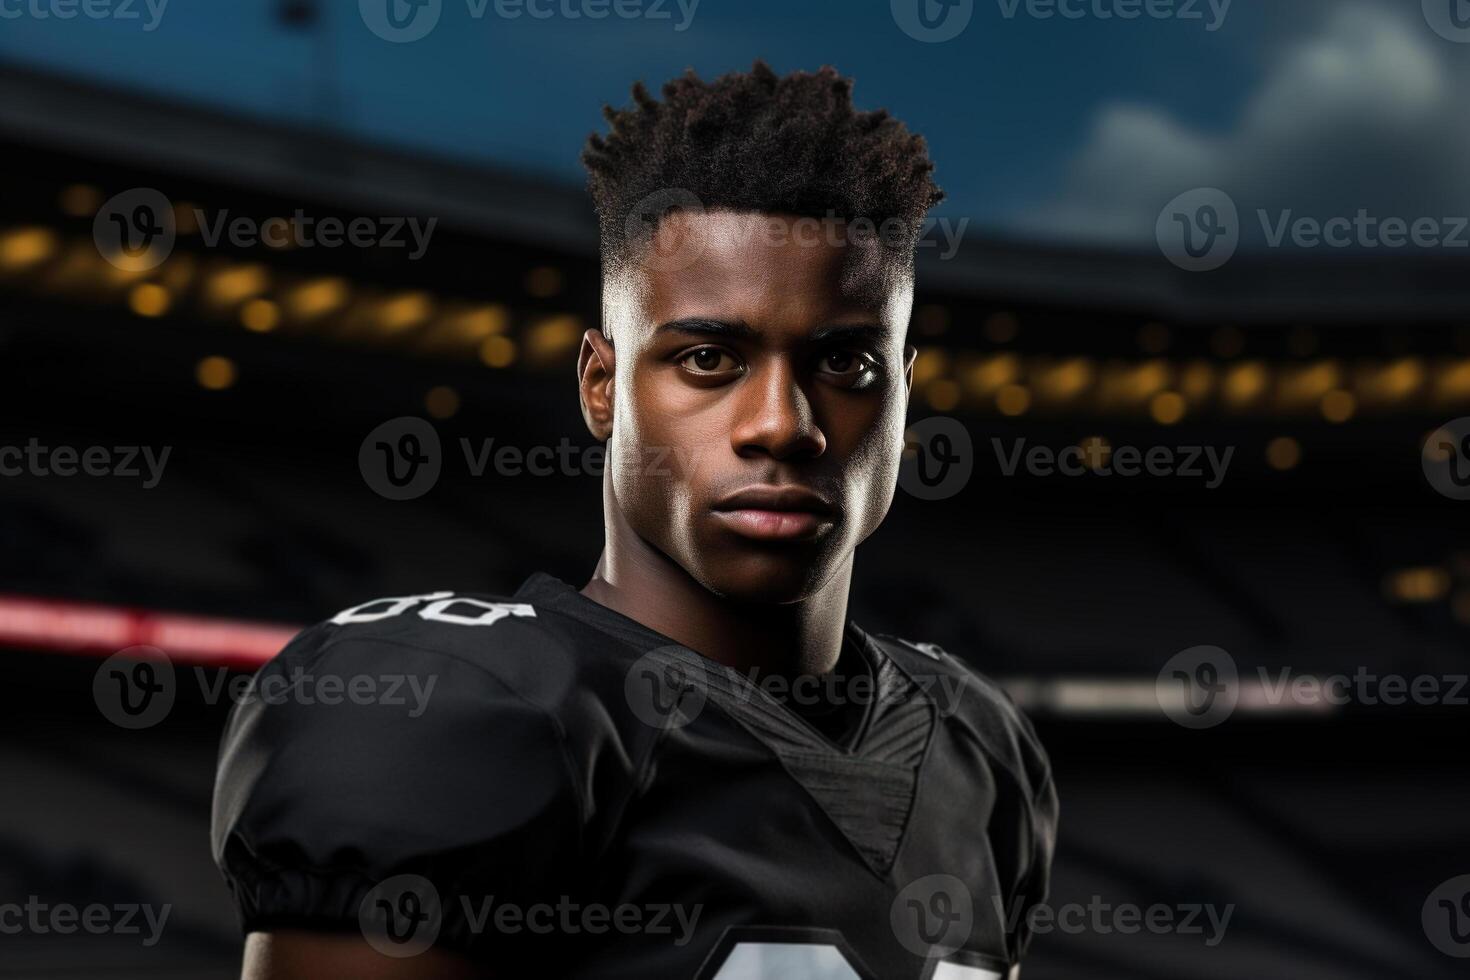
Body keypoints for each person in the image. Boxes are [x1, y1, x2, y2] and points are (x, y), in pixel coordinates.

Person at [212, 61, 1056, 980]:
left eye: (845, 364)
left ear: (904, 395)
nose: (783, 423)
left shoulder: (979, 748)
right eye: (707, 359)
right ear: (602, 386)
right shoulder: (468, 715)